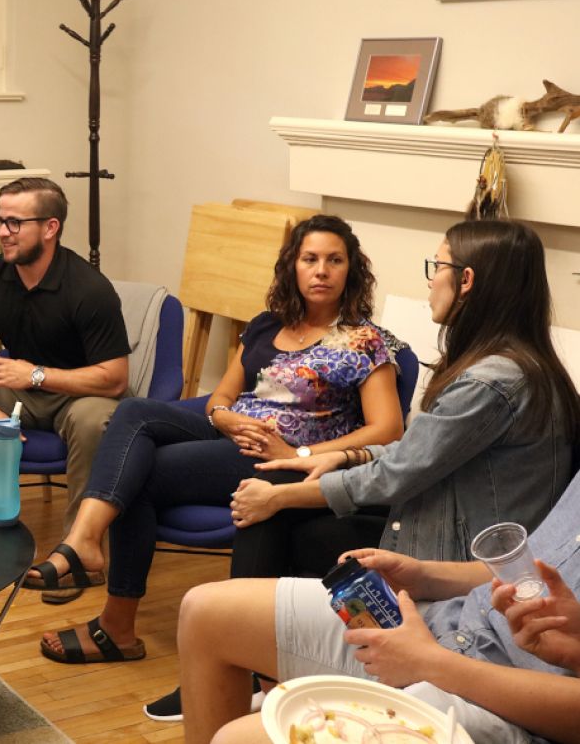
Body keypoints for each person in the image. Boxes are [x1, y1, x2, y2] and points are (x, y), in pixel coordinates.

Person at [35, 215, 405, 661]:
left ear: (351, 270)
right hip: (231, 432)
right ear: (293, 265)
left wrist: (300, 453)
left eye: (334, 260)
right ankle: (86, 542)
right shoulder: (268, 324)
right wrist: (225, 417)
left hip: (280, 460)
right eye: (310, 259)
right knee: (133, 412)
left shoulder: (363, 341)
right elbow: (223, 395)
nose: (321, 270)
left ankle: (114, 620)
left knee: (140, 474)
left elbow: (388, 429)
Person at [230, 219, 577, 561]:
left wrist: (282, 497)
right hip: (441, 511)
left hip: (457, 553)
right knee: (279, 512)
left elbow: (399, 473)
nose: (430, 282)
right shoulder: (520, 365)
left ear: (466, 280)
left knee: (274, 509)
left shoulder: (489, 383)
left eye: (437, 266)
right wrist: (349, 456)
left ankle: (242, 614)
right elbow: (418, 453)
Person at [179, 461, 580, 744]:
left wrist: (430, 663)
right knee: (205, 611)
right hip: (455, 628)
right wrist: (423, 575)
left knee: (240, 739)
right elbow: (530, 573)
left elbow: (405, 462)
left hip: (510, 707)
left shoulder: (495, 380)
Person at [0, 176, 131, 601]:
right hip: (19, 386)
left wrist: (35, 375)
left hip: (80, 393)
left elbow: (115, 377)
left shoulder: (89, 289)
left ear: (50, 228)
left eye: (15, 223)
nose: (2, 231)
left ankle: (78, 552)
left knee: (94, 421)